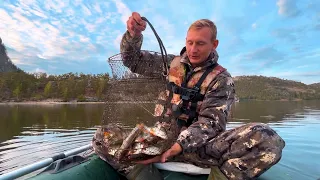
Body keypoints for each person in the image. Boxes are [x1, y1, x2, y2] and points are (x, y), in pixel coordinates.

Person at [117, 12, 285, 180]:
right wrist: (133, 34)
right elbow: (132, 61)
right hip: (161, 140)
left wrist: (178, 146)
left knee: (267, 140)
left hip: (200, 148)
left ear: (214, 44)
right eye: (189, 42)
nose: (193, 49)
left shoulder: (222, 79)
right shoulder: (170, 64)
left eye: (200, 43)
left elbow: (211, 122)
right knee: (101, 138)